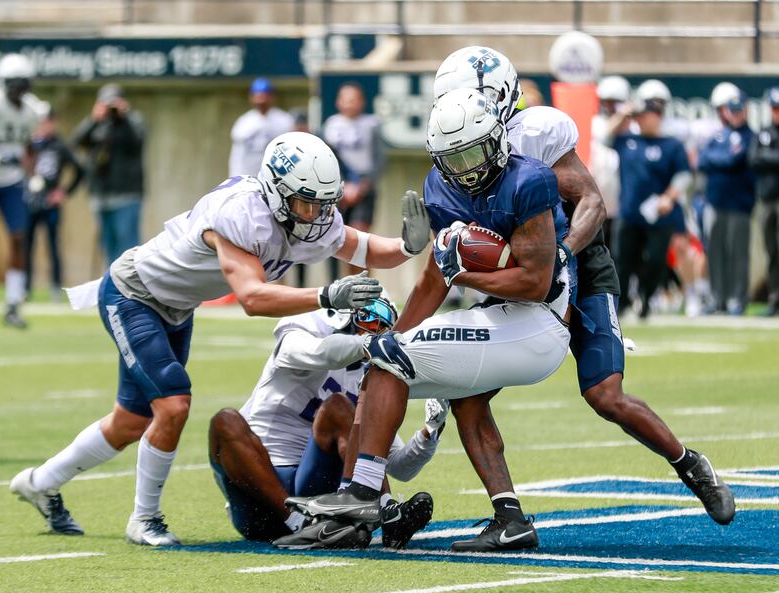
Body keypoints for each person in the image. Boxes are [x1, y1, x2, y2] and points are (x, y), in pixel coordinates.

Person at [10, 131, 431, 546]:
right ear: (276, 192)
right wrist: (324, 294)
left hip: (175, 308)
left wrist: (408, 247)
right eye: (306, 203)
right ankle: (145, 519)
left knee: (131, 421)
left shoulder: (305, 216)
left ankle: (39, 483)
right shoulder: (240, 214)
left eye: (324, 204)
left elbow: (364, 248)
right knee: (173, 404)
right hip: (134, 293)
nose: (316, 215)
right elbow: (250, 297)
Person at [429, 47, 733, 542]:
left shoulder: (537, 133)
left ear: (501, 100)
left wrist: (565, 253)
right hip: (519, 271)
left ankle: (690, 464)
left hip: (580, 267)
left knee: (604, 395)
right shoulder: (454, 145)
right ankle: (510, 519)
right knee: (466, 394)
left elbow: (590, 199)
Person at [277, 87, 576, 551]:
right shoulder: (441, 189)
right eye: (452, 159)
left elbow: (535, 283)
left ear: (497, 140)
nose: (464, 169)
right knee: (456, 393)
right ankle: (511, 519)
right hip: (500, 319)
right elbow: (434, 281)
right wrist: (397, 334)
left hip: (541, 321)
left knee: (389, 358)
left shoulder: (529, 180)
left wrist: (466, 273)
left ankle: (362, 492)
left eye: (473, 153)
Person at [209, 297, 445, 548]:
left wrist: (429, 432)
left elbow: (398, 466)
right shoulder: (304, 332)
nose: (375, 329)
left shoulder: (371, 375)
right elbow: (312, 352)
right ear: (342, 314)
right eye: (369, 317)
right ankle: (301, 524)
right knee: (225, 422)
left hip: (314, 487)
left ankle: (389, 514)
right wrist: (363, 344)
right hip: (259, 498)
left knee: (342, 409)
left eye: (383, 325)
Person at [607, 82, 693, 319]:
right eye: (638, 116)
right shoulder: (627, 140)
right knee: (623, 261)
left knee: (655, 260)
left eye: (644, 116)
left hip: (659, 213)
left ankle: (646, 298)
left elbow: (684, 175)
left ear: (657, 116)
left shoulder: (671, 144)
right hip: (629, 212)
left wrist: (669, 197)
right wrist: (623, 113)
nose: (640, 120)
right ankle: (622, 303)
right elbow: (605, 137)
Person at [0, 53, 42, 328]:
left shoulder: (32, 111)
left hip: (12, 181)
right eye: (14, 83)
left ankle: (13, 303)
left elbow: (28, 147)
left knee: (19, 237)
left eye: (22, 83)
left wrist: (33, 174)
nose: (18, 89)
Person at [72, 84, 146, 266]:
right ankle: (113, 287)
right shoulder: (98, 124)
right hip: (101, 195)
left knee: (128, 246)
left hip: (127, 195)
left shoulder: (133, 121)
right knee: (107, 245)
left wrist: (124, 116)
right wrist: (93, 119)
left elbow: (137, 143)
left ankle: (131, 289)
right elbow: (77, 142)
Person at [698, 89, 755, 315]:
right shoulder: (719, 136)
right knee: (715, 252)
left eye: (739, 110)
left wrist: (718, 160)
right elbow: (703, 160)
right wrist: (721, 160)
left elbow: (735, 159)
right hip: (715, 201)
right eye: (732, 110)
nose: (736, 114)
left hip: (739, 203)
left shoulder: (751, 136)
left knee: (737, 253)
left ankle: (737, 299)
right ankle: (717, 298)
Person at [323, 82, 385, 277]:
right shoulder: (331, 125)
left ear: (362, 102)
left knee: (360, 241)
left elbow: (380, 159)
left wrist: (363, 186)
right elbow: (327, 158)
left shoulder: (371, 124)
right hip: (337, 190)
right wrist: (342, 185)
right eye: (345, 99)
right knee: (336, 241)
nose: (350, 104)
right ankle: (340, 289)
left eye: (354, 99)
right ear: (338, 102)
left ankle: (366, 288)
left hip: (364, 189)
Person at [24, 108, 84, 300]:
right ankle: (25, 289)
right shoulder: (29, 145)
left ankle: (56, 288)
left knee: (53, 246)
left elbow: (80, 170)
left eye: (47, 121)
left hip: (50, 204)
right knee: (26, 246)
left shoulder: (59, 146)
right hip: (29, 202)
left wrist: (63, 192)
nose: (44, 125)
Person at [749, 87, 779, 316]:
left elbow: (763, 158)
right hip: (768, 199)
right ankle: (774, 297)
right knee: (772, 250)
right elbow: (755, 159)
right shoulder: (764, 133)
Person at [591, 75, 630, 252]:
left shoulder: (633, 129)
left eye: (615, 102)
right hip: (598, 201)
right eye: (606, 101)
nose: (609, 107)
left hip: (623, 205)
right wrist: (622, 115)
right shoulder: (595, 123)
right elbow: (605, 136)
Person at [229, 78, 293, 178]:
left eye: (265, 95)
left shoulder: (284, 120)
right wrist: (235, 177)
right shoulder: (244, 122)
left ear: (272, 96)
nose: (261, 100)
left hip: (275, 177)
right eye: (257, 96)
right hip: (248, 176)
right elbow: (237, 155)